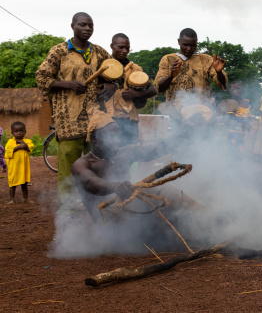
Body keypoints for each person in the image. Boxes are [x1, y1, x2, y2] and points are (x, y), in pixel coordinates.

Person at [35, 12, 111, 206]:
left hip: (96, 123)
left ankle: (96, 209)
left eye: (90, 26)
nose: (87, 29)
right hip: (68, 122)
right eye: (83, 25)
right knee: (68, 170)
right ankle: (67, 212)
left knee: (97, 167)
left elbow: (115, 73)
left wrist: (112, 86)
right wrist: (69, 85)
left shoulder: (100, 53)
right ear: (73, 26)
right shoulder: (59, 51)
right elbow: (42, 78)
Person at [71, 113, 202, 220]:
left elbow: (157, 148)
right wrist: (116, 186)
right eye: (110, 136)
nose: (116, 140)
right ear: (94, 138)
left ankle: (206, 218)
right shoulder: (82, 164)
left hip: (133, 214)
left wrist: (183, 133)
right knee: (163, 192)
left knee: (171, 205)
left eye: (118, 135)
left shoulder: (124, 152)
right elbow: (90, 182)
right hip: (108, 220)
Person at [101, 33, 157, 145]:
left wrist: (136, 94)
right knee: (108, 154)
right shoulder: (103, 65)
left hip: (129, 119)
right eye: (120, 47)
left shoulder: (135, 69)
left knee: (130, 153)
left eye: (127, 48)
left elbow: (153, 90)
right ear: (112, 46)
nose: (124, 51)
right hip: (107, 118)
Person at [153, 28, 228, 108]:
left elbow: (222, 83)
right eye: (185, 45)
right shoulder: (168, 59)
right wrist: (171, 76)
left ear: (196, 43)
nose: (189, 48)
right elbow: (159, 88)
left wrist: (219, 72)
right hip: (174, 112)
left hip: (202, 111)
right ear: (179, 42)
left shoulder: (206, 59)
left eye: (193, 45)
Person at [5, 122, 34, 204]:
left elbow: (29, 148)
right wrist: (19, 147)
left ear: (25, 132)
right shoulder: (10, 142)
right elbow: (8, 152)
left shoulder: (28, 141)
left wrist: (22, 143)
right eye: (16, 131)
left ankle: (25, 199)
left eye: (21, 131)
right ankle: (11, 199)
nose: (19, 133)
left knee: (24, 184)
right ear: (12, 133)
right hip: (14, 168)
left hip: (24, 168)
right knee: (12, 184)